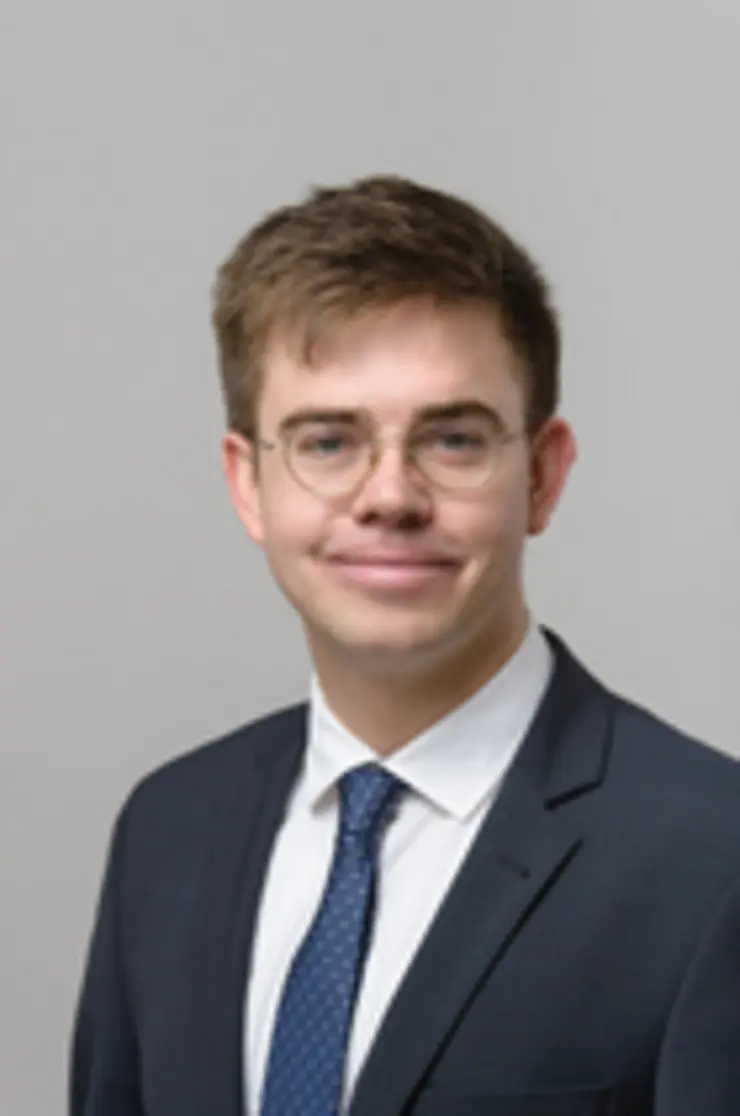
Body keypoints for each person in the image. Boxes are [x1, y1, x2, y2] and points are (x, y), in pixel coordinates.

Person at [70, 174, 740, 1116]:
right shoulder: (168, 831)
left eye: (453, 439)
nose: (389, 496)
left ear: (542, 477)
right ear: (248, 484)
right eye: (328, 442)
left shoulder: (713, 859)